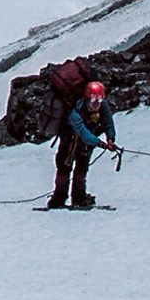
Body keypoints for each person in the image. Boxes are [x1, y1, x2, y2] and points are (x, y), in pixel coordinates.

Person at [48, 81, 118, 210]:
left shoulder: (103, 106)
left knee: (81, 168)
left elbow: (108, 124)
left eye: (99, 100)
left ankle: (78, 197)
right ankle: (59, 199)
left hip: (87, 144)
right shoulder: (75, 109)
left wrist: (111, 139)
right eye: (93, 100)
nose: (96, 104)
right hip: (69, 141)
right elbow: (82, 132)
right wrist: (102, 144)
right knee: (64, 169)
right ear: (86, 98)